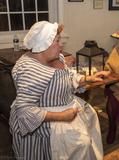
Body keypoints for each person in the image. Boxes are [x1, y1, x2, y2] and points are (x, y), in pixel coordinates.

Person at [9, 21, 109, 160]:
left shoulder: (55, 58)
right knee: (80, 144)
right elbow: (24, 110)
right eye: (57, 41)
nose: (60, 45)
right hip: (49, 121)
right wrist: (61, 116)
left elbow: (67, 76)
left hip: (67, 107)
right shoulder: (31, 71)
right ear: (44, 44)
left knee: (89, 131)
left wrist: (86, 79)